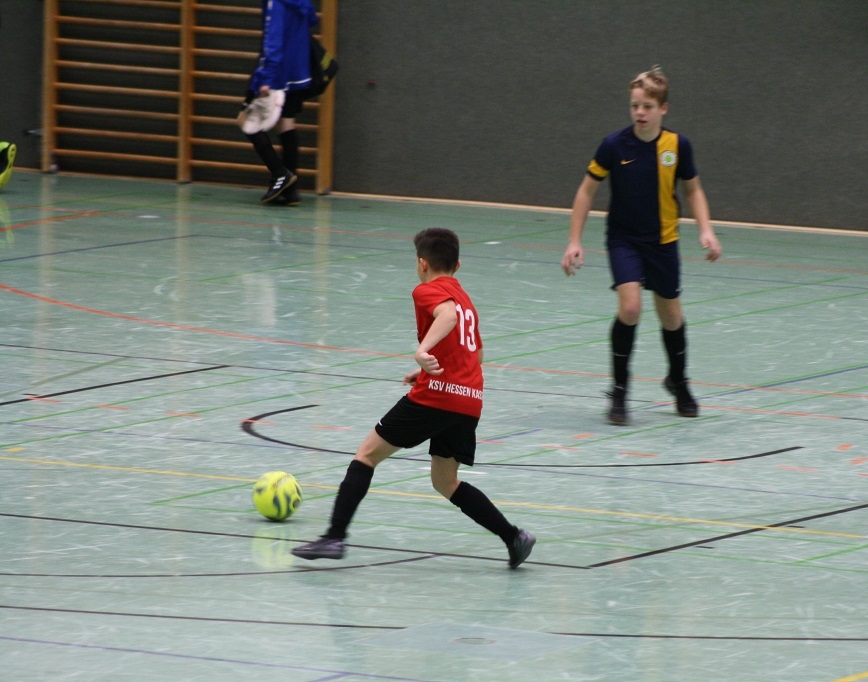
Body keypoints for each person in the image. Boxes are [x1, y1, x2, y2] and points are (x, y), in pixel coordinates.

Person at [292, 228, 536, 569]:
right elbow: (476, 356)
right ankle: (514, 537)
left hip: (437, 398)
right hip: (469, 400)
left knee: (366, 455)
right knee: (445, 482)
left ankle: (334, 537)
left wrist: (422, 352)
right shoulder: (466, 300)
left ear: (422, 263)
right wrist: (426, 370)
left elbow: (446, 316)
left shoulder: (427, 290)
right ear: (458, 265)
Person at [560, 66, 722, 425]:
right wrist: (574, 241)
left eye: (647, 106)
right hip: (624, 240)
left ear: (663, 108)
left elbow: (693, 190)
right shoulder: (614, 145)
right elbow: (586, 191)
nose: (640, 112)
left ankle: (678, 381)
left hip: (664, 241)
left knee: (671, 316)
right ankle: (619, 391)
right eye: (635, 105)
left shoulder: (677, 146)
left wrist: (706, 230)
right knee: (630, 308)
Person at [239, 0, 319, 206]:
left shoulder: (275, 2)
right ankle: (290, 192)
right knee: (286, 124)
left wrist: (266, 79)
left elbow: (272, 41)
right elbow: (311, 18)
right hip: (298, 72)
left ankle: (280, 174)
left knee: (246, 121)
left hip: (276, 75)